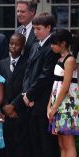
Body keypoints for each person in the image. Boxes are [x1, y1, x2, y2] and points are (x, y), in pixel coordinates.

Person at [16, 12, 60, 157]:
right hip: (30, 102)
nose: (35, 32)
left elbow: (46, 76)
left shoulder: (52, 48)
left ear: (48, 28)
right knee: (33, 142)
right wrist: (25, 94)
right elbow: (28, 71)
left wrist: (30, 94)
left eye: (38, 28)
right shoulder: (35, 45)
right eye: (34, 28)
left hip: (43, 100)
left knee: (46, 143)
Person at [0, 33, 29, 157]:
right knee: (6, 143)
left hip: (19, 111)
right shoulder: (1, 64)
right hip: (4, 111)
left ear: (23, 46)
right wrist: (5, 105)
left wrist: (13, 106)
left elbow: (26, 87)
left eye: (17, 44)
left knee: (19, 144)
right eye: (11, 43)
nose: (13, 46)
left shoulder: (28, 63)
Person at [47, 29, 78, 157]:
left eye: (54, 43)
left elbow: (65, 87)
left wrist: (54, 107)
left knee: (68, 142)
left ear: (63, 43)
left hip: (67, 105)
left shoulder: (70, 60)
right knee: (61, 143)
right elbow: (56, 85)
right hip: (58, 103)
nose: (51, 46)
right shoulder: (61, 59)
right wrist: (49, 105)